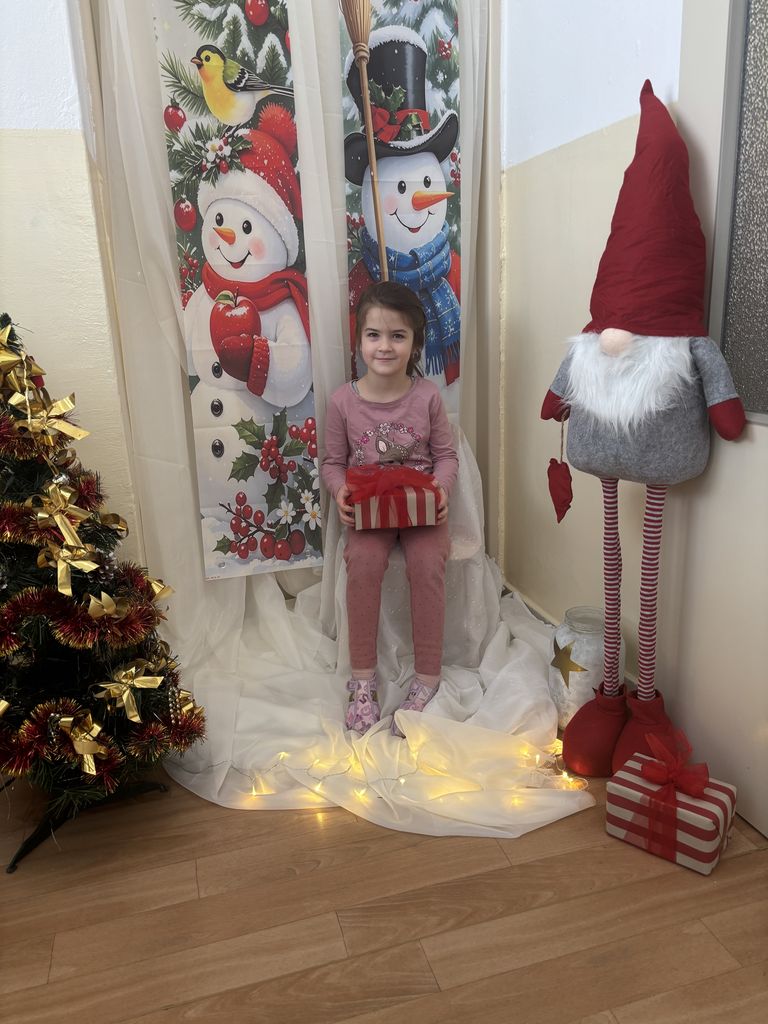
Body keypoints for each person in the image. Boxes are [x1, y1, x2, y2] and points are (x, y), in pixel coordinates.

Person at [321, 282, 458, 736]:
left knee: (427, 563)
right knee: (362, 561)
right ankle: (362, 680)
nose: (385, 346)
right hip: (370, 510)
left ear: (415, 343)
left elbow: (446, 456)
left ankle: (427, 677)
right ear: (359, 340)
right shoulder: (343, 402)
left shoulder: (428, 397)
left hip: (421, 510)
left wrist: (440, 489)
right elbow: (332, 463)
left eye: (398, 336)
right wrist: (340, 491)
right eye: (374, 335)